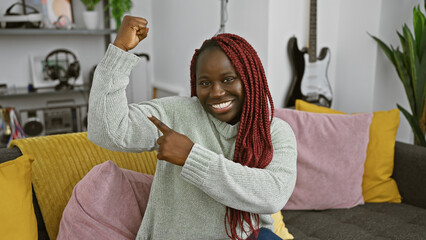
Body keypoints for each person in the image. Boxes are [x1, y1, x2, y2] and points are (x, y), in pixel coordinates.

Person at [88, 15, 297, 240]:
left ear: (249, 78)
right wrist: (119, 51)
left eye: (228, 79)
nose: (216, 92)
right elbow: (108, 132)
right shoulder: (177, 113)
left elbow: (273, 194)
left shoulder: (275, 131)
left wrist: (191, 157)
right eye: (205, 83)